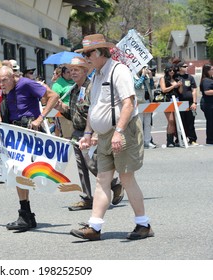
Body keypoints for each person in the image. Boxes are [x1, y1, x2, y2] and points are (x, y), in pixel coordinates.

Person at [70, 34, 153, 241]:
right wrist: (89, 133)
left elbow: (128, 103)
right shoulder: (96, 75)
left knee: (126, 178)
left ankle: (144, 225)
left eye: (88, 53)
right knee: (102, 179)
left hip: (122, 132)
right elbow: (94, 108)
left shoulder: (119, 70)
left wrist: (118, 132)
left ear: (99, 52)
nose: (85, 58)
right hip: (106, 135)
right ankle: (94, 227)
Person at [0, 65, 59, 231]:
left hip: (29, 134)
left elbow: (53, 96)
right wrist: (0, 116)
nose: (2, 84)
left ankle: (25, 215)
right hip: (14, 134)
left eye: (4, 80)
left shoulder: (26, 84)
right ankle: (26, 215)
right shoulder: (7, 89)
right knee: (17, 173)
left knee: (20, 171)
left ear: (13, 76)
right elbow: (14, 109)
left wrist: (40, 118)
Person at [54, 57, 124, 211]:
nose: (73, 73)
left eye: (76, 70)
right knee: (80, 167)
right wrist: (61, 108)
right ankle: (86, 198)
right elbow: (73, 114)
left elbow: (95, 111)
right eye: (71, 70)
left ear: (85, 71)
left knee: (92, 164)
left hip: (90, 132)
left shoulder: (92, 88)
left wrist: (94, 134)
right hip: (77, 132)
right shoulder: (74, 90)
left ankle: (114, 183)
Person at [159, 64, 183, 147]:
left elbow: (180, 91)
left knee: (177, 121)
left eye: (173, 70)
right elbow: (164, 90)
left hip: (176, 99)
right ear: (166, 70)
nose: (172, 71)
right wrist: (173, 86)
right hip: (167, 100)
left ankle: (177, 139)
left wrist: (180, 86)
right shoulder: (163, 79)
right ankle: (169, 141)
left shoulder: (176, 79)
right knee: (171, 120)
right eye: (170, 70)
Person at [134, 66, 156, 149]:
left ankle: (147, 141)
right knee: (140, 123)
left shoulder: (146, 77)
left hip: (147, 100)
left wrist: (150, 77)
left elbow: (152, 86)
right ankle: (140, 142)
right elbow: (137, 86)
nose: (145, 69)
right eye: (143, 68)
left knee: (148, 123)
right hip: (139, 101)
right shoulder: (134, 76)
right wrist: (143, 75)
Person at [177, 61, 198, 145]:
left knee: (191, 121)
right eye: (184, 66)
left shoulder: (190, 77)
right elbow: (179, 91)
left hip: (189, 102)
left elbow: (194, 90)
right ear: (179, 68)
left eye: (186, 66)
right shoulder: (176, 77)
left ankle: (192, 139)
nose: (186, 68)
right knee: (181, 122)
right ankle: (181, 139)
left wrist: (194, 102)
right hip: (179, 102)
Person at [52, 66, 75, 138]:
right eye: (68, 72)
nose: (70, 73)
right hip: (65, 113)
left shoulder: (76, 81)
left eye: (71, 71)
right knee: (69, 135)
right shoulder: (58, 84)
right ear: (63, 74)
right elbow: (54, 98)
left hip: (77, 111)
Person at [200, 64, 213, 145]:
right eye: (212, 69)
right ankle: (210, 140)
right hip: (208, 104)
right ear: (207, 70)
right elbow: (207, 92)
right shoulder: (206, 80)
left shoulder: (210, 79)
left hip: (211, 103)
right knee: (211, 122)